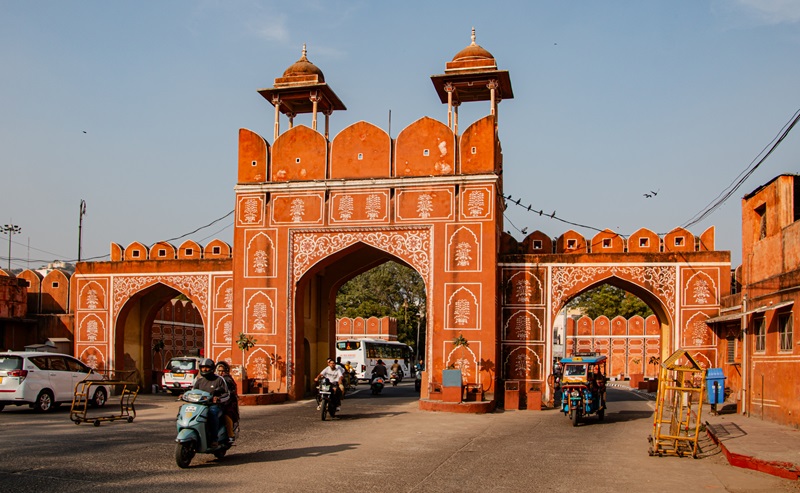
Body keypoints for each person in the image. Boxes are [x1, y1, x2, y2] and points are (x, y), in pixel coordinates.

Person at [192, 358, 229, 448]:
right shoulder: (199, 381)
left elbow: (226, 394)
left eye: (207, 367)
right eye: (203, 367)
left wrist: (218, 399)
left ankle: (214, 439)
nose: (204, 369)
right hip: (200, 405)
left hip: (214, 405)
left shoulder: (219, 379)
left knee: (212, 413)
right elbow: (193, 392)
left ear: (212, 368)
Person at [215, 361, 239, 442]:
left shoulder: (227, 379)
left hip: (228, 402)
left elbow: (230, 391)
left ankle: (230, 434)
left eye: (222, 371)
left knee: (226, 414)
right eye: (219, 371)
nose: (220, 373)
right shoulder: (215, 379)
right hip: (215, 401)